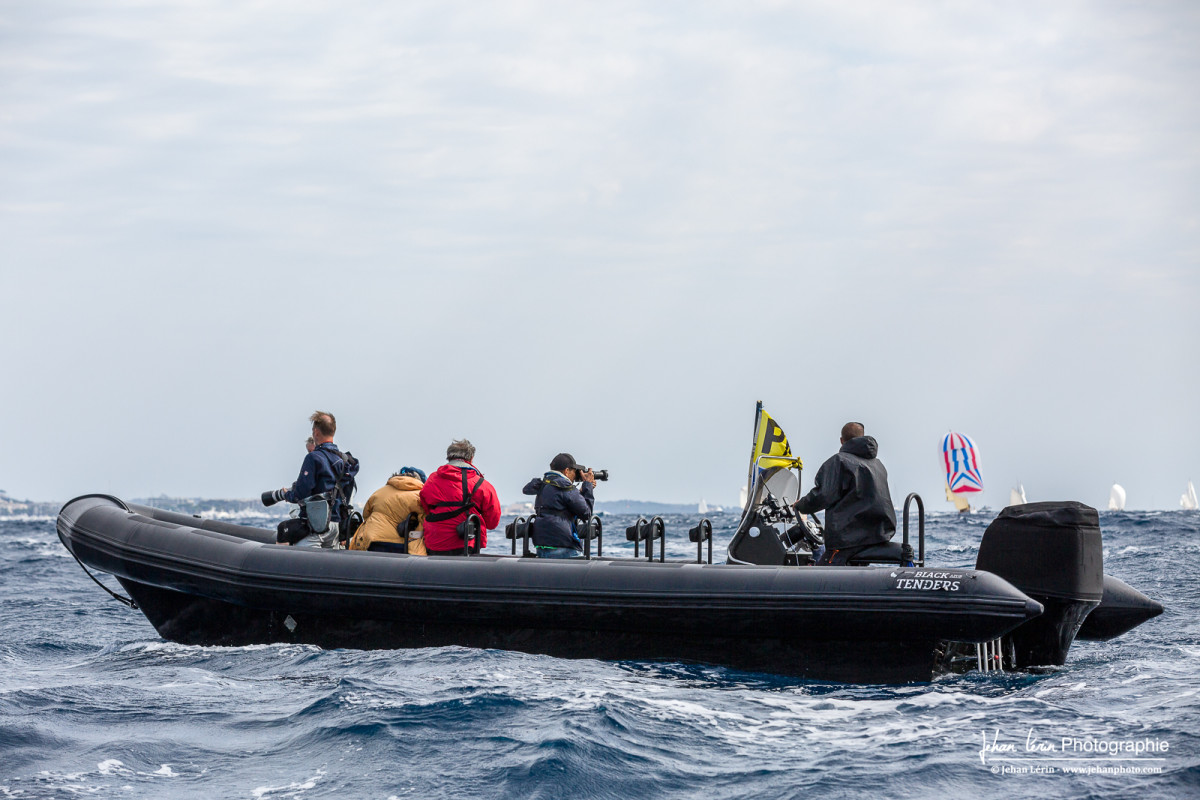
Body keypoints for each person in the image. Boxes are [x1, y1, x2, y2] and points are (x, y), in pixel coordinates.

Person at [791, 422, 896, 565]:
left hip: (849, 541)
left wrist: (801, 505)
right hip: (877, 536)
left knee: (822, 567)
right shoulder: (878, 465)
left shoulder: (839, 461)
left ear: (841, 440)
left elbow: (823, 495)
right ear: (862, 436)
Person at [263, 411, 358, 548]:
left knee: (287, 537)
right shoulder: (343, 460)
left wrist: (286, 494)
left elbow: (301, 493)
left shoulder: (313, 458)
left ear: (316, 432)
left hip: (316, 526)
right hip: (335, 527)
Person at [418, 439, 501, 555]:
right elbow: (492, 522)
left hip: (434, 542)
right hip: (466, 543)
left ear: (449, 457)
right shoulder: (482, 485)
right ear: (471, 458)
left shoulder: (431, 480)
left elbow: (425, 507)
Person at [522, 453, 596, 558]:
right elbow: (586, 513)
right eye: (574, 471)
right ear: (567, 471)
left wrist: (581, 491)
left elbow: (560, 502)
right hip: (563, 545)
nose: (575, 475)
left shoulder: (544, 484)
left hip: (542, 545)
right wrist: (587, 486)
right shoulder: (566, 487)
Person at [351, 467, 428, 555]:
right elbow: (424, 521)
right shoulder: (419, 496)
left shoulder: (380, 491)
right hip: (401, 544)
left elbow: (366, 514)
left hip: (374, 539)